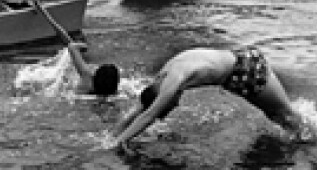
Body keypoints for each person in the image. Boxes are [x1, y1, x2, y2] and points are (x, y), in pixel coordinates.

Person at [112, 47, 303, 152]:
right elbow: (142, 106)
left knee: (286, 115)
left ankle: (312, 143)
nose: (176, 104)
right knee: (278, 116)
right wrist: (115, 132)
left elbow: (149, 115)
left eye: (171, 106)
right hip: (242, 59)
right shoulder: (163, 75)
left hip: (245, 72)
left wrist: (119, 142)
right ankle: (306, 137)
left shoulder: (172, 83)